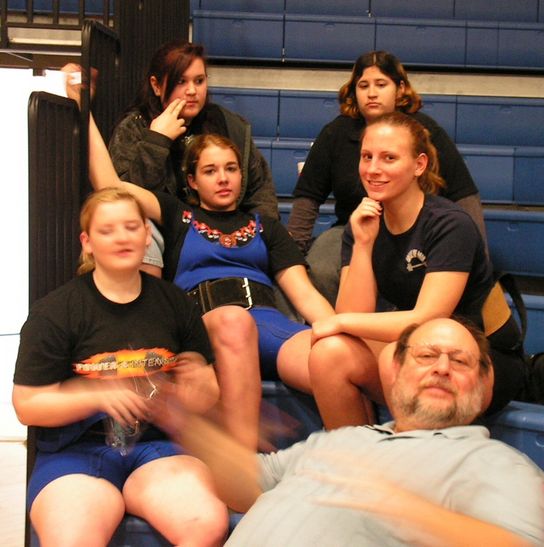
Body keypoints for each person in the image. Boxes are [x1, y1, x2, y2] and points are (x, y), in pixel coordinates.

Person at [67, 64, 335, 450]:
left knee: (338, 359)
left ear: (242, 176)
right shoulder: (177, 214)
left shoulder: (266, 227)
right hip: (206, 325)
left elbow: (305, 295)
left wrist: (335, 333)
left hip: (268, 324)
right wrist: (82, 102)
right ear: (193, 181)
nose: (223, 178)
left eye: (230, 169)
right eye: (210, 171)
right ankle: (244, 467)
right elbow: (109, 183)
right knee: (232, 322)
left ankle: (370, 458)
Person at [158, 317, 544, 546]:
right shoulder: (342, 440)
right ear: (394, 370)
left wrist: (403, 509)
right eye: (426, 355)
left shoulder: (495, 463)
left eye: (460, 361)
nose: (441, 368)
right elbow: (245, 487)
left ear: (484, 387)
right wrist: (185, 419)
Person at [279, 111, 527, 429]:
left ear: (419, 165)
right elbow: (354, 315)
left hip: (480, 356)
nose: (373, 169)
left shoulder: (449, 224)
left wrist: (336, 321)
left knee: (392, 359)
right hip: (419, 348)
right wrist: (363, 245)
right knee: (322, 353)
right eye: (366, 157)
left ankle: (408, 454)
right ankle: (354, 454)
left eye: (389, 158)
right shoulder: (363, 222)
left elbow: (427, 318)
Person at [13, 188, 228, 546]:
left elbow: (207, 394)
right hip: (76, 454)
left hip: (158, 448)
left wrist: (189, 391)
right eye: (107, 230)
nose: (122, 238)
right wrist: (98, 395)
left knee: (206, 524)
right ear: (87, 243)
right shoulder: (55, 312)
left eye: (131, 227)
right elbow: (28, 405)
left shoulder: (176, 304)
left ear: (147, 235)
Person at [287, 50, 485, 304]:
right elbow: (308, 195)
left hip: (416, 231)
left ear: (400, 89)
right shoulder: (335, 133)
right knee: (320, 269)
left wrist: (478, 256)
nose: (371, 93)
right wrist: (292, 256)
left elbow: (463, 194)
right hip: (353, 226)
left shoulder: (425, 131)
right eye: (363, 86)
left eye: (381, 84)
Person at [108, 40, 279, 276]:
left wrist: (260, 235)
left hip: (227, 231)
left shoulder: (228, 124)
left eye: (199, 81)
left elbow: (260, 190)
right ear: (156, 85)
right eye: (181, 82)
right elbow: (122, 198)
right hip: (165, 235)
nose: (192, 91)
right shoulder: (134, 128)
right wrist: (156, 141)